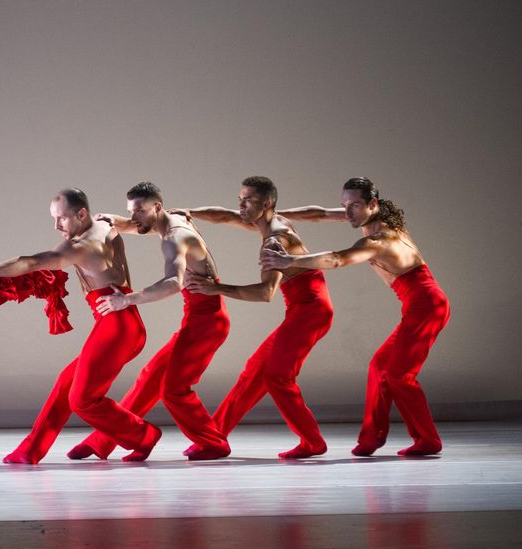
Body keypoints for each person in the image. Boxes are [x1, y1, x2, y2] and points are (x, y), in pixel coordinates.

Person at [0, 188, 162, 464]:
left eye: (62, 218)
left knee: (81, 400)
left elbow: (30, 262)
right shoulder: (106, 224)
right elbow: (138, 225)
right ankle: (31, 450)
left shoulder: (79, 247)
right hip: (124, 322)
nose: (57, 226)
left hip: (117, 327)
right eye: (54, 219)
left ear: (82, 214)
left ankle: (144, 436)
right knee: (65, 384)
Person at [260, 177, 449, 456]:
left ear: (372, 204)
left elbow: (337, 258)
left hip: (427, 305)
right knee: (380, 366)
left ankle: (428, 440)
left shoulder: (379, 241)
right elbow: (321, 214)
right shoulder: (371, 216)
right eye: (344, 205)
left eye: (354, 206)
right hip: (417, 305)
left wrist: (289, 261)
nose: (347, 213)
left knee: (399, 375)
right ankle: (372, 438)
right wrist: (276, 214)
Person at [67, 182, 231, 461]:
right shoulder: (168, 219)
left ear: (157, 207)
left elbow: (173, 283)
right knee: (149, 380)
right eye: (132, 211)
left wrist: (127, 300)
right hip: (197, 317)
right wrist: (113, 220)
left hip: (208, 323)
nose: (135, 218)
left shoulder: (175, 237)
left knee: (174, 390)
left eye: (139, 211)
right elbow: (138, 227)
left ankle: (214, 444)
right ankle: (102, 442)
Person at [183, 176, 334, 459]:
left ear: (266, 204)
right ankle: (213, 438)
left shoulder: (275, 240)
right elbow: (224, 216)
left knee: (277, 377)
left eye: (248, 200)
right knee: (254, 371)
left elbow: (266, 293)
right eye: (240, 199)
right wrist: (187, 213)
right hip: (302, 309)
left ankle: (313, 442)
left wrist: (216, 289)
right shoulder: (268, 220)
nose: (240, 206)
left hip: (311, 312)